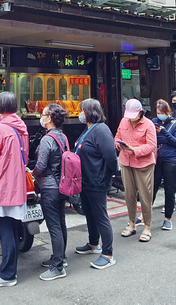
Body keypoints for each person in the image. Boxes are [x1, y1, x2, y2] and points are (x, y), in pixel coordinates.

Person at [0, 92, 29, 287]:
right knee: (10, 227)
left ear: (0, 106)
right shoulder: (21, 127)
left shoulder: (1, 128)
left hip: (3, 184)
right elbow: (25, 154)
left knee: (5, 229)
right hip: (17, 183)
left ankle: (8, 274)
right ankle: (5, 268)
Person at [73, 98, 116, 269]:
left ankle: (108, 254)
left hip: (97, 181)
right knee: (89, 213)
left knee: (100, 216)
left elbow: (111, 157)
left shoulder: (101, 130)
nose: (80, 114)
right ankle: (93, 243)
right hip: (86, 180)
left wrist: (108, 174)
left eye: (82, 110)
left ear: (90, 112)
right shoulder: (89, 128)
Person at [32, 103, 70, 280]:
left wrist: (33, 175)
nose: (42, 116)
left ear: (50, 119)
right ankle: (60, 257)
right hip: (61, 185)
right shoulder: (63, 137)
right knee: (61, 223)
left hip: (49, 187)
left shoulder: (47, 140)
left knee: (54, 226)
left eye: (44, 114)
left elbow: (40, 165)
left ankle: (57, 267)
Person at [114, 98, 156, 242]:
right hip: (126, 161)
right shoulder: (123, 121)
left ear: (140, 113)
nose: (131, 119)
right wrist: (118, 144)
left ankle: (147, 227)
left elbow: (151, 146)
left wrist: (134, 149)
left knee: (145, 196)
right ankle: (132, 223)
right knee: (129, 195)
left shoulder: (149, 124)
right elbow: (117, 136)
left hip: (143, 163)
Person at [152, 99, 176, 231]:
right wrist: (167, 138)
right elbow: (152, 139)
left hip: (171, 160)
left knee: (170, 189)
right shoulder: (153, 122)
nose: (160, 114)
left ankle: (168, 218)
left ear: (168, 112)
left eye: (163, 112)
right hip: (157, 158)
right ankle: (144, 215)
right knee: (152, 187)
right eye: (158, 112)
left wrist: (164, 133)